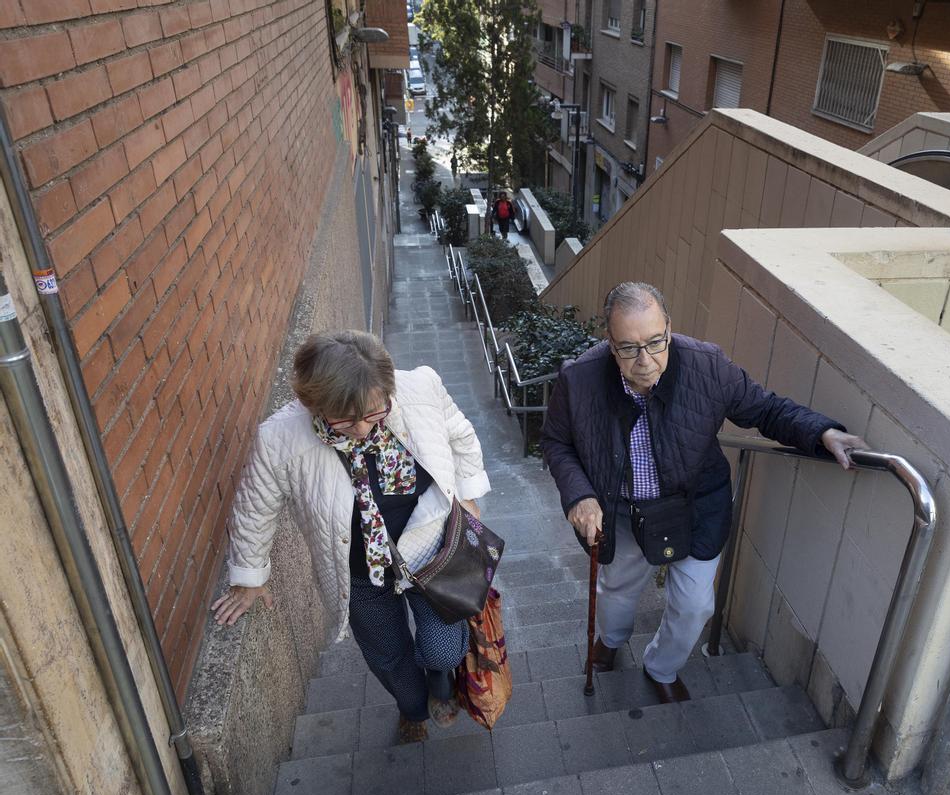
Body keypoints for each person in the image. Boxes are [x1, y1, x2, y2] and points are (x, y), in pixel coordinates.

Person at [541, 283, 866, 703]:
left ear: (670, 329)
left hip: (695, 505)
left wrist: (822, 431)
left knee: (696, 604)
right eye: (628, 348)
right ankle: (611, 640)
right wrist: (579, 496)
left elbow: (764, 409)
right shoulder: (580, 378)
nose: (645, 361)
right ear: (609, 342)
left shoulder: (706, 365)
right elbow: (556, 442)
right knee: (617, 588)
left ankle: (662, 666)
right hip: (619, 508)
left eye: (656, 342)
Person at [211, 331, 491, 742]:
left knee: (443, 648)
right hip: (360, 575)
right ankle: (412, 710)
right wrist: (249, 578)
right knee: (388, 656)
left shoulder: (421, 387)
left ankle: (439, 677)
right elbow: (256, 507)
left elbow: (460, 434)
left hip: (431, 555)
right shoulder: (280, 439)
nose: (361, 428)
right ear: (313, 403)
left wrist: (468, 494)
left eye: (374, 413)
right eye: (343, 418)